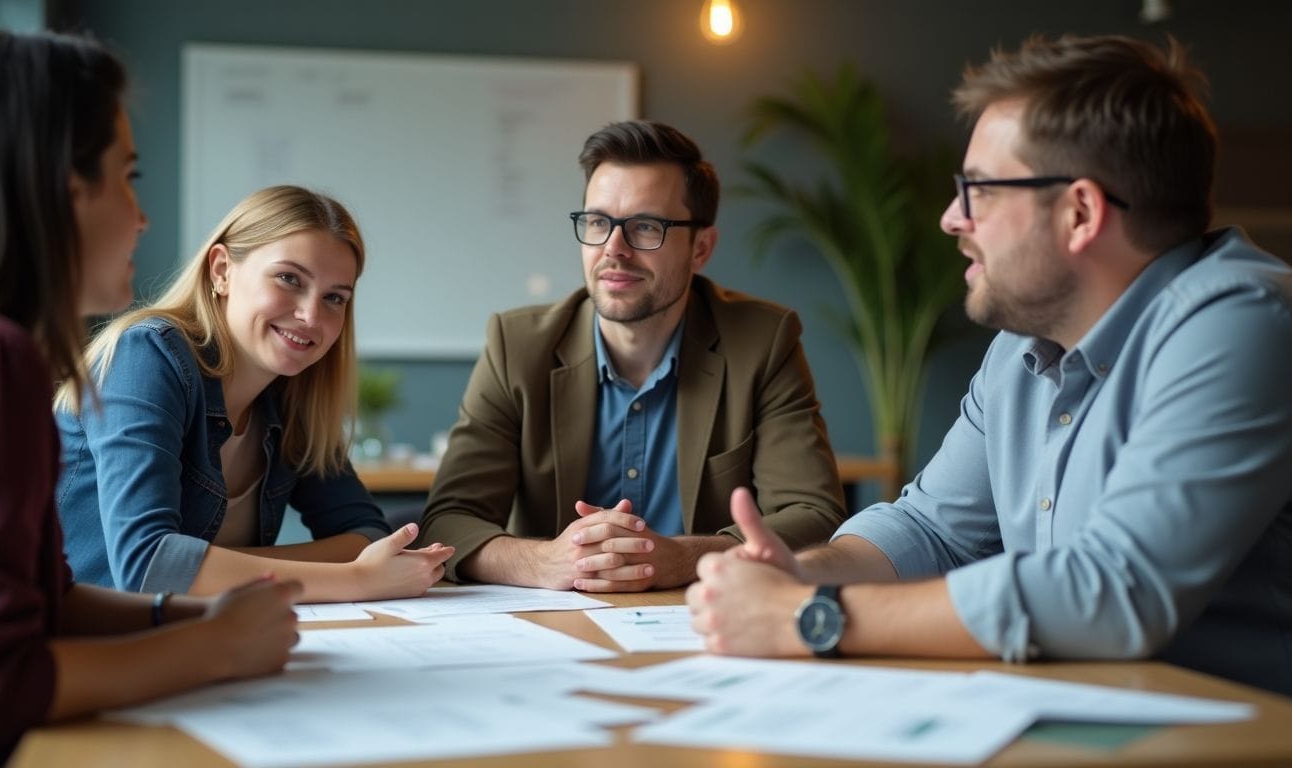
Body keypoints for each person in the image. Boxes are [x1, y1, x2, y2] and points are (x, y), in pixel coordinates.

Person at [686, 34, 1292, 696]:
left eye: (978, 190)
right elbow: (929, 529)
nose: (951, 218)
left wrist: (812, 617)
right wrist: (802, 574)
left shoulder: (1245, 321)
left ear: (1080, 212)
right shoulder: (1025, 346)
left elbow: (1114, 591)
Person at [0, 30, 301, 766]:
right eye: (127, 176)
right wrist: (213, 649)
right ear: (65, 189)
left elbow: (49, 603)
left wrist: (198, 617)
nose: (141, 216)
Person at [419, 120, 847, 592]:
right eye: (598, 222)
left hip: (701, 619)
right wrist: (546, 562)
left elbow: (814, 516)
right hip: (549, 626)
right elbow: (449, 521)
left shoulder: (762, 342)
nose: (613, 250)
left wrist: (684, 558)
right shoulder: (516, 346)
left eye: (646, 226)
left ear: (701, 247)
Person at [54, 184, 454, 601]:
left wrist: (210, 564)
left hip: (198, 635)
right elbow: (149, 565)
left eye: (335, 297)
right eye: (289, 279)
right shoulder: (147, 356)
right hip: (85, 642)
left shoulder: (293, 396)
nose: (311, 315)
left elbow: (366, 535)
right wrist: (357, 579)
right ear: (222, 270)